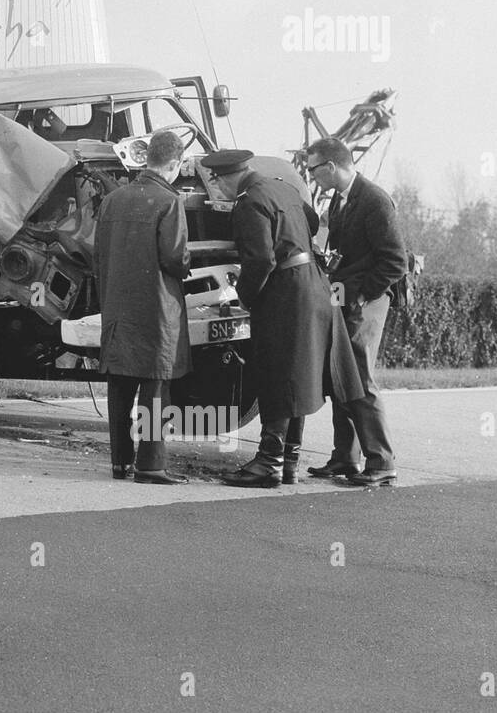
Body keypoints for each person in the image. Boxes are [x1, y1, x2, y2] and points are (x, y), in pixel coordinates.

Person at [202, 149, 363, 488]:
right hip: (314, 287)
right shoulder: (283, 188)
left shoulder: (249, 202)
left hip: (286, 295)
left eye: (215, 182)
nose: (216, 189)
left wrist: (244, 298)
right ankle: (288, 461)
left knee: (277, 374)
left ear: (227, 177)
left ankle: (267, 464)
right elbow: (313, 222)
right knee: (299, 375)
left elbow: (260, 260)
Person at [303, 137, 407, 486]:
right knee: (338, 373)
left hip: (367, 299)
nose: (312, 176)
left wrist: (363, 295)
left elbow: (396, 261)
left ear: (331, 167)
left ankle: (381, 463)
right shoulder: (340, 199)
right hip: (343, 295)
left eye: (314, 169)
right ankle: (346, 459)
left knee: (359, 376)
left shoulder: (375, 200)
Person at [93, 128, 191, 484]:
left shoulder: (112, 200)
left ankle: (120, 464)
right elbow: (176, 259)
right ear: (175, 163)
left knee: (119, 386)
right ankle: (151, 466)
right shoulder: (169, 202)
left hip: (118, 307)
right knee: (154, 389)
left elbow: (97, 258)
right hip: (157, 311)